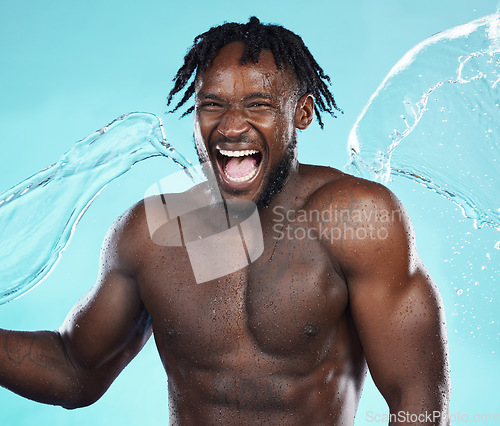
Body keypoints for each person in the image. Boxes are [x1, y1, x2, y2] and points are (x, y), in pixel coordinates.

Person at [0, 17, 450, 425]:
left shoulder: (354, 219)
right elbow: (74, 370)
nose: (232, 127)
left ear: (302, 113)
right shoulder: (151, 233)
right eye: (212, 105)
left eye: (258, 105)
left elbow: (418, 401)